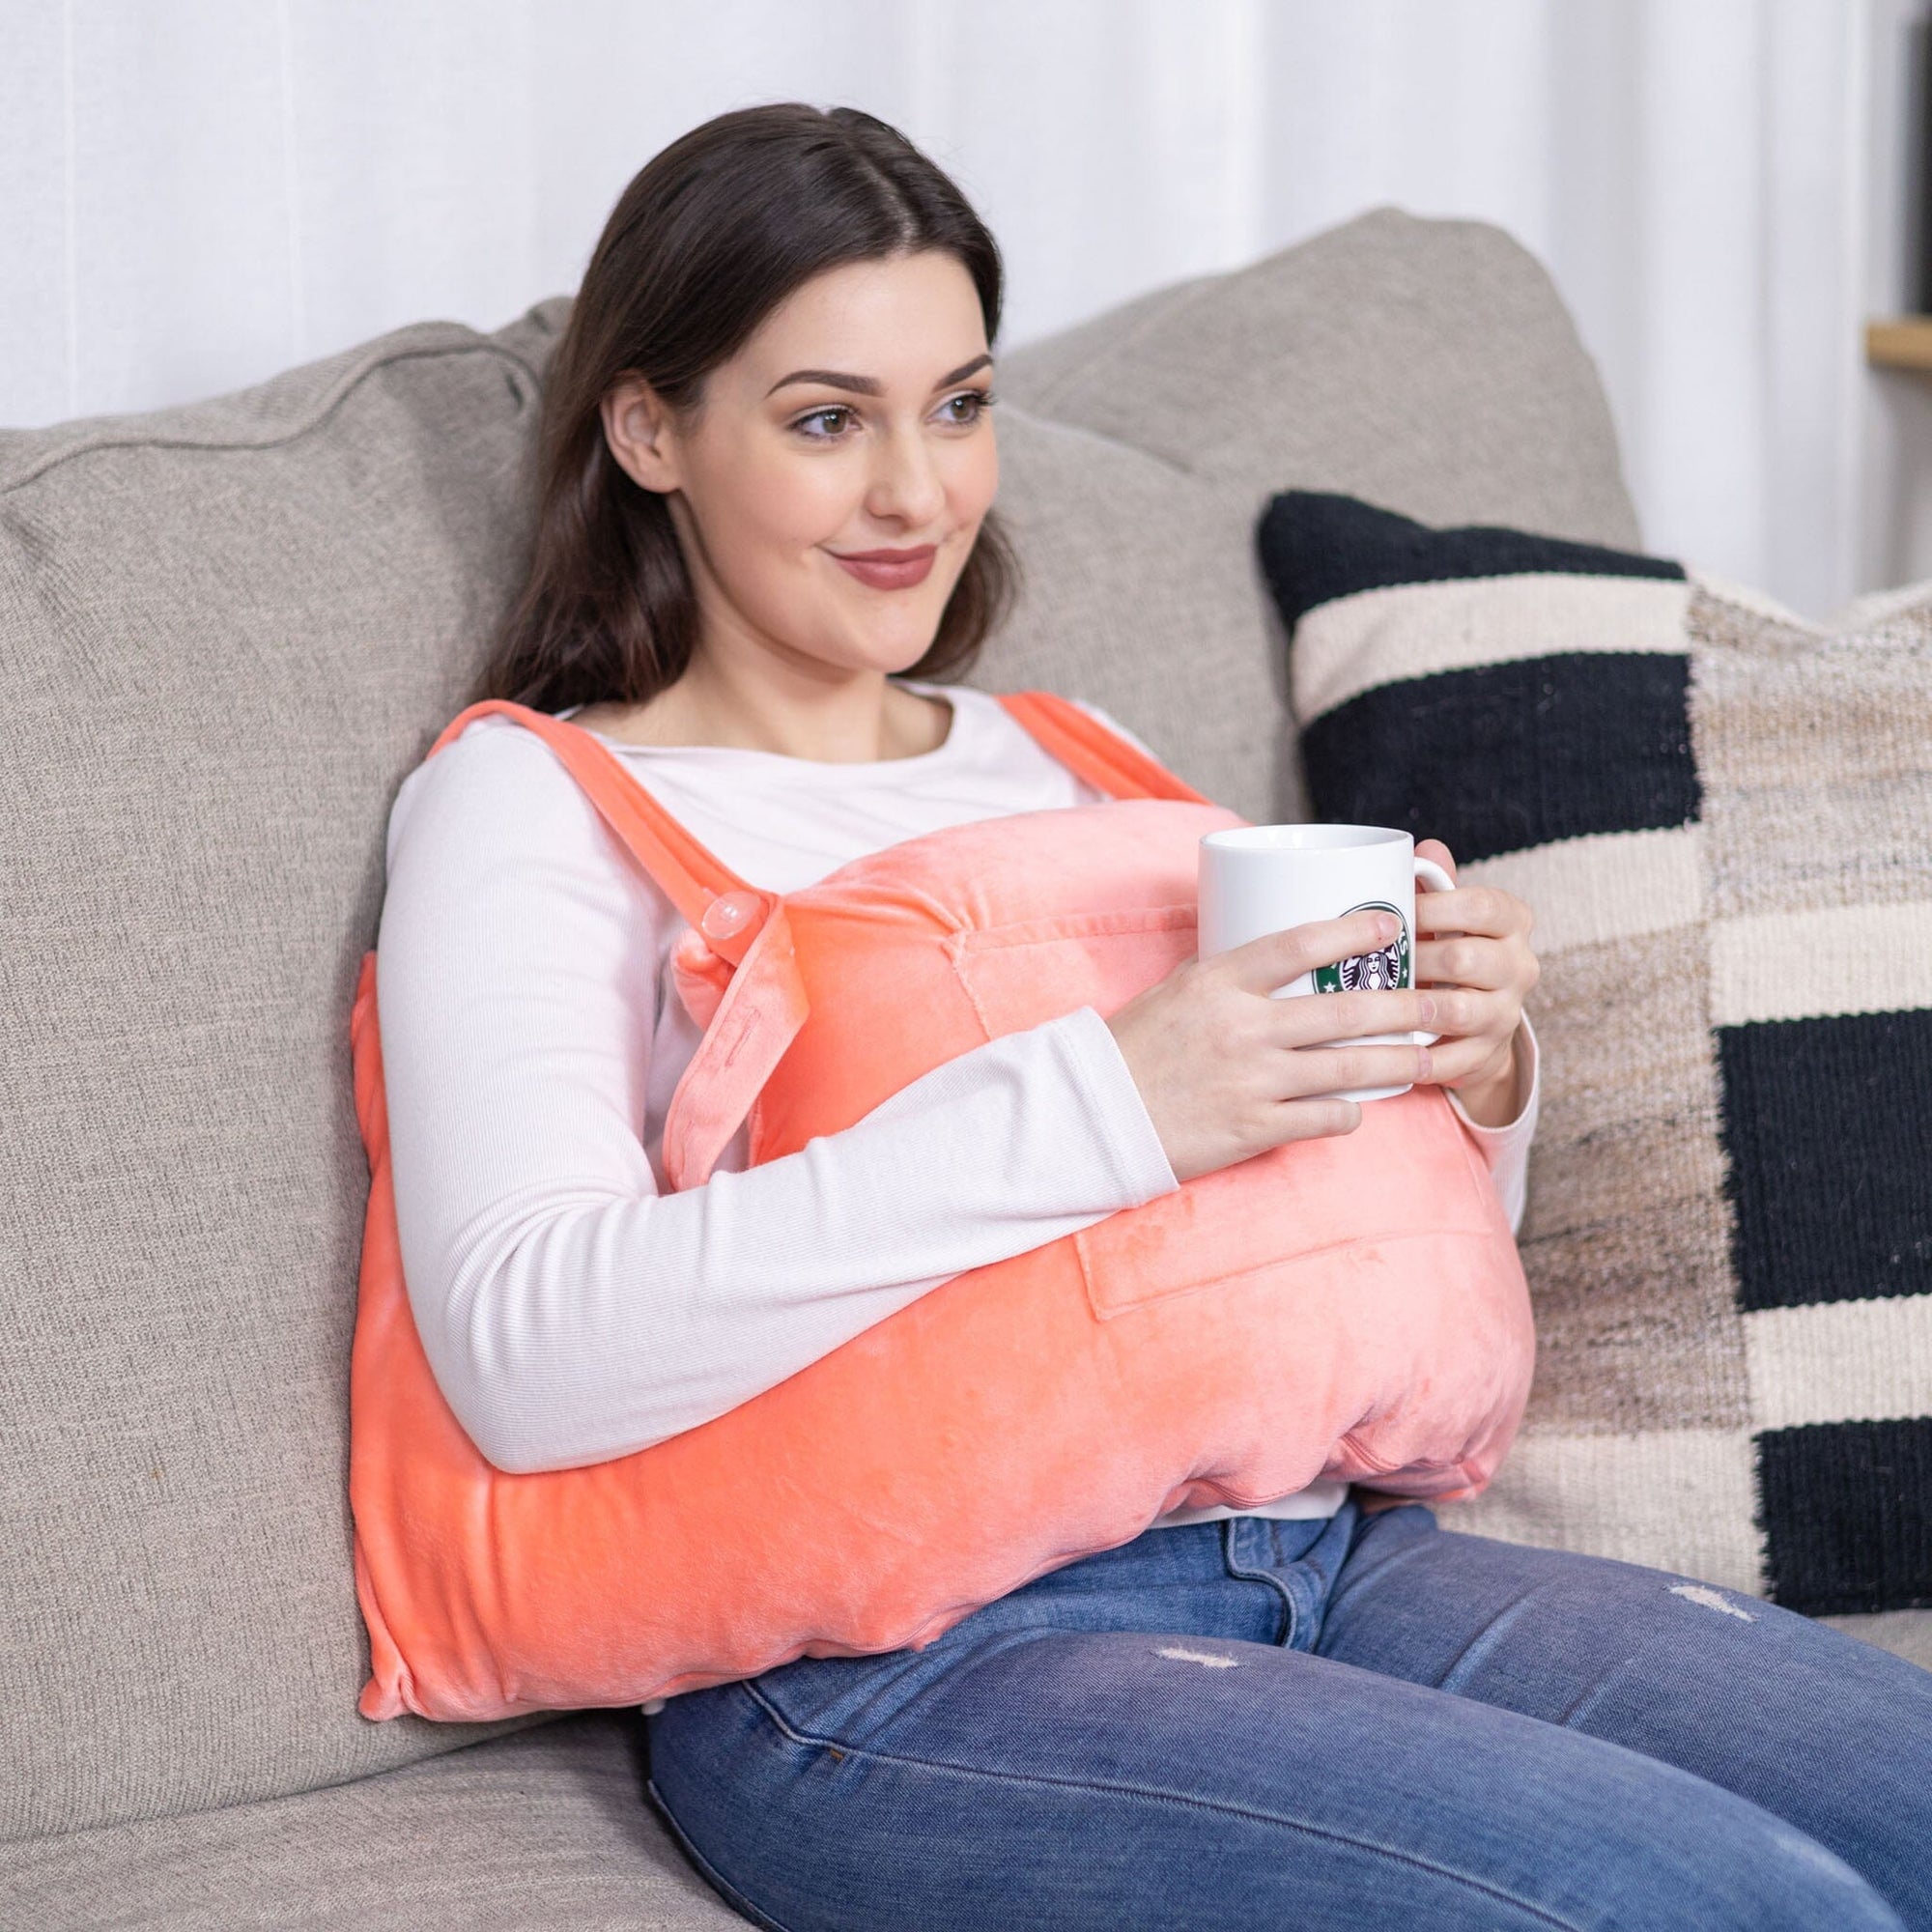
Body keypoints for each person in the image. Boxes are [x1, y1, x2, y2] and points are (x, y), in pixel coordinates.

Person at [374, 102, 1932, 1932]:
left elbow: (1306, 1243)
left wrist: (1474, 1073)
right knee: (1741, 1906)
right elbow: (529, 1349)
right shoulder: (537, 800)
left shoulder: (1071, 756)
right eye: (825, 421)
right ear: (650, 428)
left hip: (1330, 1550)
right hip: (905, 1663)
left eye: (958, 405)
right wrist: (1115, 1096)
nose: (917, 495)